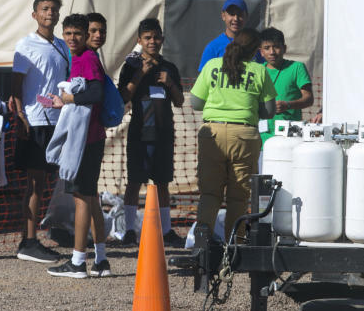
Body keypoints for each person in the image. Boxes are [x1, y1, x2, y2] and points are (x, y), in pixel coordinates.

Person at [190, 28, 276, 245]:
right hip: (244, 136)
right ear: (255, 49)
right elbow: (269, 110)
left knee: (210, 194)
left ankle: (202, 245)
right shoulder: (259, 71)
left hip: (213, 134)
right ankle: (235, 246)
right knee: (238, 197)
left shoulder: (212, 66)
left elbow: (196, 102)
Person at [47, 14, 111, 279]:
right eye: (68, 33)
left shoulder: (87, 59)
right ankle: (102, 259)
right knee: (91, 197)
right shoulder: (80, 59)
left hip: (86, 140)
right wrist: (66, 102)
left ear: (85, 35)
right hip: (90, 138)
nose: (72, 38)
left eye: (77, 33)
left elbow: (96, 94)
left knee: (81, 198)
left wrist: (70, 97)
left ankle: (77, 262)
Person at [9, 0, 70, 263]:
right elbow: (15, 87)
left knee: (45, 182)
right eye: (45, 9)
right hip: (35, 120)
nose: (50, 14)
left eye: (54, 10)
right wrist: (20, 117)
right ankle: (28, 241)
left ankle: (35, 237)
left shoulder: (62, 45)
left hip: (57, 120)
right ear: (35, 14)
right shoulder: (26, 45)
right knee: (34, 184)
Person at [117, 18, 185, 247]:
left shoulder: (169, 68)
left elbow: (179, 101)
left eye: (156, 37)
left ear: (162, 39)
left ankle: (166, 231)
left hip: (164, 133)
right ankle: (129, 231)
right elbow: (123, 97)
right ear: (139, 40)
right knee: (134, 182)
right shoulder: (131, 66)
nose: (152, 41)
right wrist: (139, 74)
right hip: (139, 133)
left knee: (163, 183)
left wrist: (170, 84)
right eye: (147, 38)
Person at [258, 27, 314, 142]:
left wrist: (288, 105)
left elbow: (309, 98)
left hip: (289, 139)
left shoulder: (297, 67)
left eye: (276, 47)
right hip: (261, 140)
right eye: (267, 48)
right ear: (261, 52)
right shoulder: (257, 70)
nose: (272, 52)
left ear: (284, 48)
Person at [198, 0, 261, 72]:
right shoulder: (213, 47)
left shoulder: (255, 45)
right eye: (232, 14)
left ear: (246, 16)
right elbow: (203, 76)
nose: (236, 19)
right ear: (223, 16)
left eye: (240, 14)